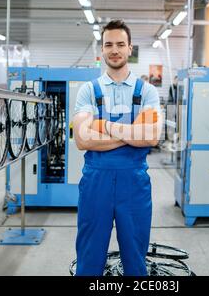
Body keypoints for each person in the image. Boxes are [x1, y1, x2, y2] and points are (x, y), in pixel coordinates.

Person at [73, 20, 162, 276]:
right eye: (109, 44)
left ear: (129, 48)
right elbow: (82, 140)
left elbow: (152, 136)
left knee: (135, 260)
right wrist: (132, 133)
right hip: (95, 183)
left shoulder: (147, 91)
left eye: (120, 44)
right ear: (101, 50)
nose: (115, 50)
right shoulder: (89, 90)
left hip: (134, 184)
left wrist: (103, 125)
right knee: (89, 259)